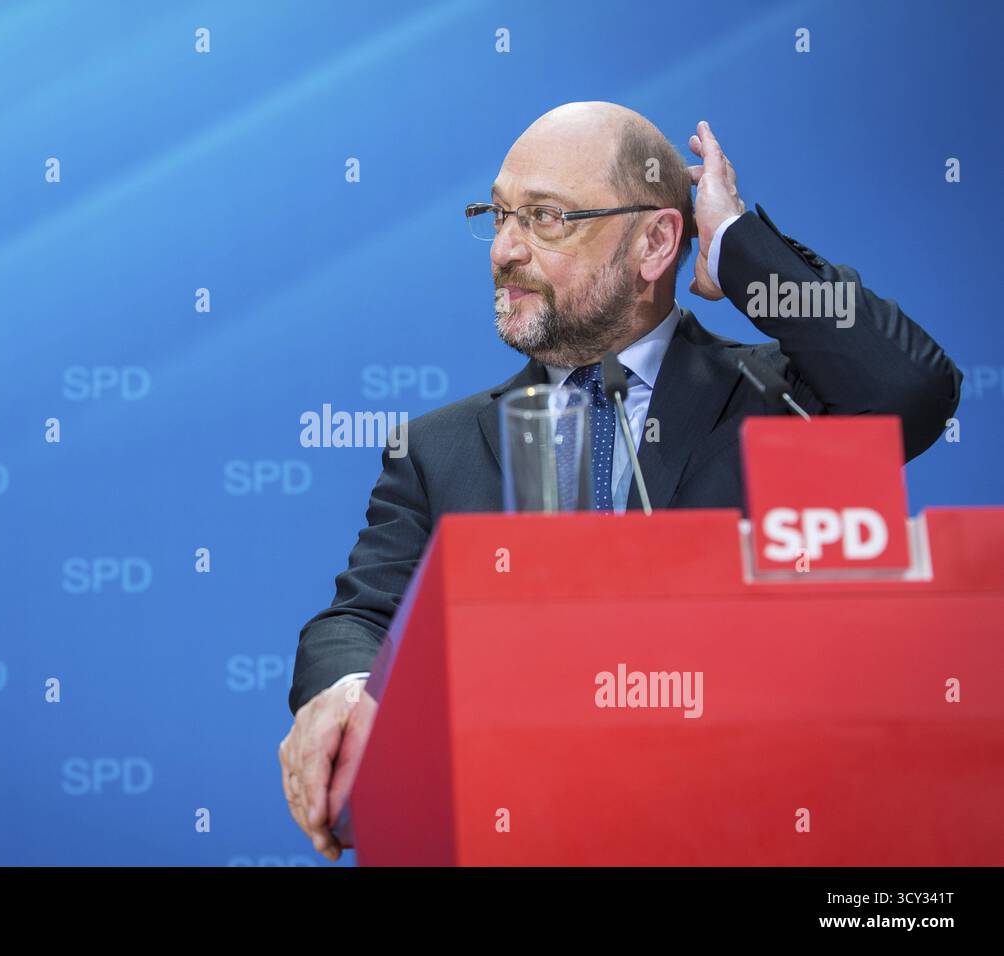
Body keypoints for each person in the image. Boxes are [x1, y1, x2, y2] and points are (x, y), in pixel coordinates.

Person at [278, 102, 962, 861]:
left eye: (545, 217)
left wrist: (739, 247)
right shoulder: (438, 450)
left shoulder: (780, 402)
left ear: (655, 242)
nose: (505, 249)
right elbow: (357, 620)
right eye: (497, 215)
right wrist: (345, 692)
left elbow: (909, 387)